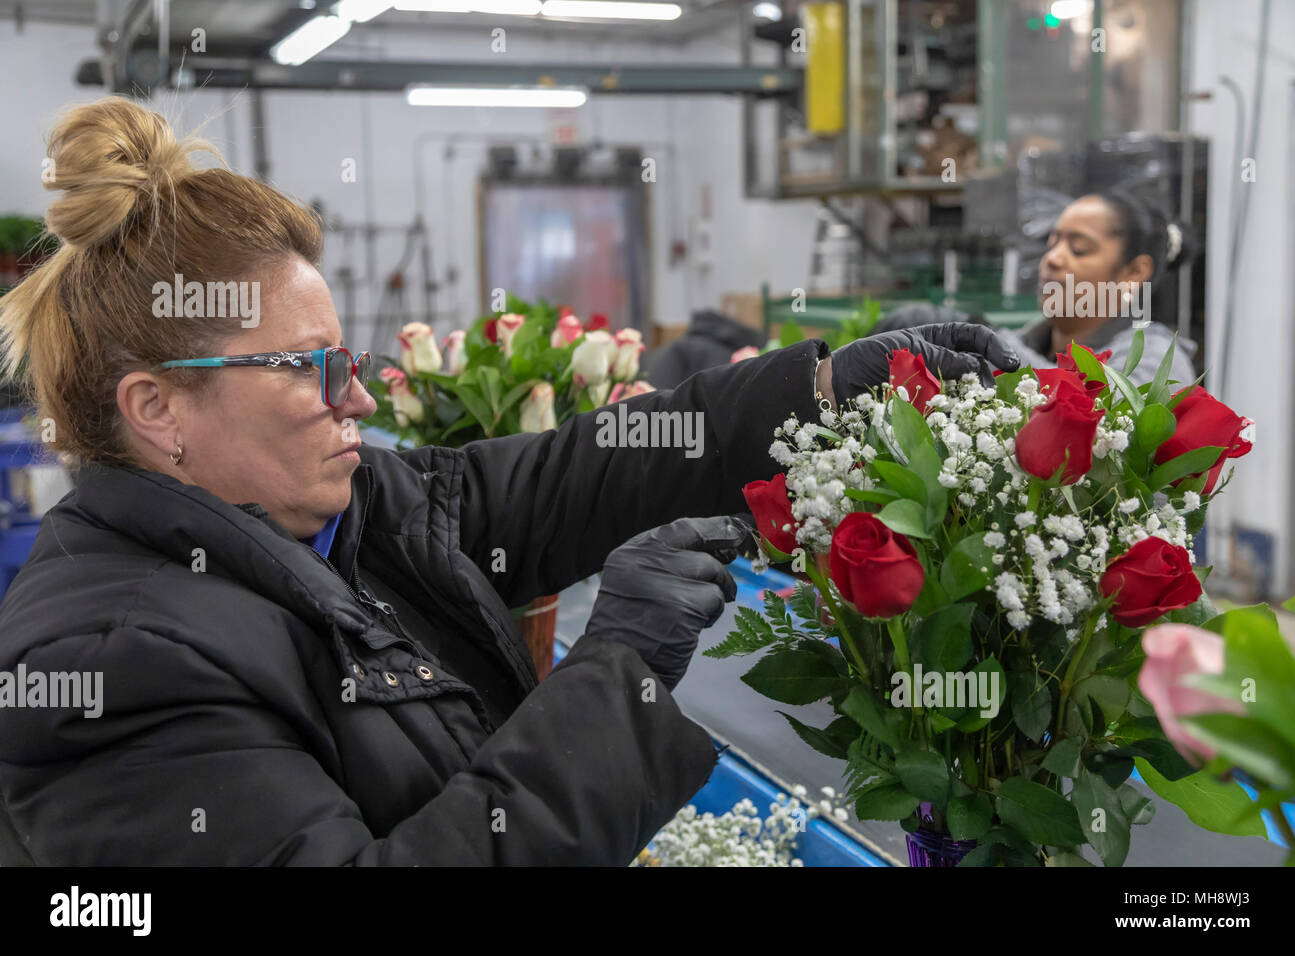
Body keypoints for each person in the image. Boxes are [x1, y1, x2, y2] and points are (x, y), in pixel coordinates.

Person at [0, 97, 1019, 866]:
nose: (355, 398)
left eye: (342, 355)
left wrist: (830, 384)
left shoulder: (350, 513)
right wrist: (616, 672)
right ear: (158, 410)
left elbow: (584, 474)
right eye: (309, 368)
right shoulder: (114, 671)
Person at [876, 190, 1197, 387]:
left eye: (1079, 248)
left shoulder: (1156, 362)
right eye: (1052, 242)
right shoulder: (1024, 342)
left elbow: (1105, 423)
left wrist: (982, 339)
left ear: (1133, 272)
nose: (1052, 259)